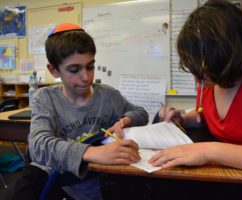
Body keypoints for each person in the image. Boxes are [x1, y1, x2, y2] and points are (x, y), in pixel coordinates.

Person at [149, 1, 242, 200]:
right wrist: (186, 118)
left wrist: (207, 151)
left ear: (227, 56)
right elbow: (209, 114)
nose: (197, 80)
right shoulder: (214, 82)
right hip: (227, 183)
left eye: (202, 71)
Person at [9, 23, 148, 200]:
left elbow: (141, 113)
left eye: (90, 67)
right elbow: (38, 145)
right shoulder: (45, 98)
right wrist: (91, 152)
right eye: (74, 70)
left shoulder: (108, 95)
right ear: (54, 70)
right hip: (54, 178)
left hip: (95, 181)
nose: (86, 77)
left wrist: (128, 118)